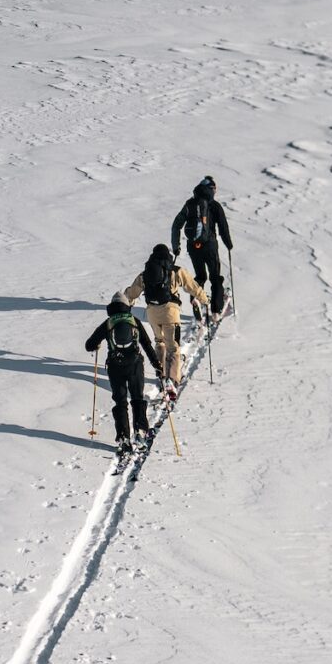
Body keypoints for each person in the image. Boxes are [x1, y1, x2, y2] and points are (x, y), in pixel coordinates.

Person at [116, 242, 210, 390]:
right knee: (173, 347)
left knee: (159, 342)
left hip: (152, 314)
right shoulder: (175, 271)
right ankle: (173, 380)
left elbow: (132, 293)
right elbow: (193, 287)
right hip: (170, 314)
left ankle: (161, 375)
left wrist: (126, 303)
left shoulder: (145, 274)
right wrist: (205, 300)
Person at [84, 296, 166, 456]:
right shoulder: (133, 320)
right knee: (137, 398)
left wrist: (98, 343)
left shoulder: (108, 323)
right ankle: (140, 432)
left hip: (115, 367)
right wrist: (157, 365)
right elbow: (147, 344)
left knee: (120, 402)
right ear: (126, 305)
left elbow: (89, 345)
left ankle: (123, 438)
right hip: (135, 365)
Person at [171, 176, 233, 319]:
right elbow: (223, 227)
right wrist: (228, 244)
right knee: (215, 277)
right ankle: (216, 311)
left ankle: (196, 299)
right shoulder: (214, 205)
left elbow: (176, 225)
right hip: (209, 246)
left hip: (193, 247)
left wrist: (176, 246)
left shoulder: (189, 204)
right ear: (211, 189)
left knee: (200, 276)